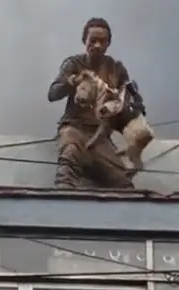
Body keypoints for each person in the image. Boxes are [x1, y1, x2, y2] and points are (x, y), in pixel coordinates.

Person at [48, 17, 142, 189]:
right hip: (74, 128)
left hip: (100, 136)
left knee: (123, 183)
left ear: (108, 44)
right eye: (93, 40)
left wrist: (133, 108)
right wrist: (73, 82)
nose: (97, 46)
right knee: (68, 161)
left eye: (102, 41)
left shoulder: (117, 69)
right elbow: (52, 93)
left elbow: (128, 104)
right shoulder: (74, 64)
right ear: (85, 41)